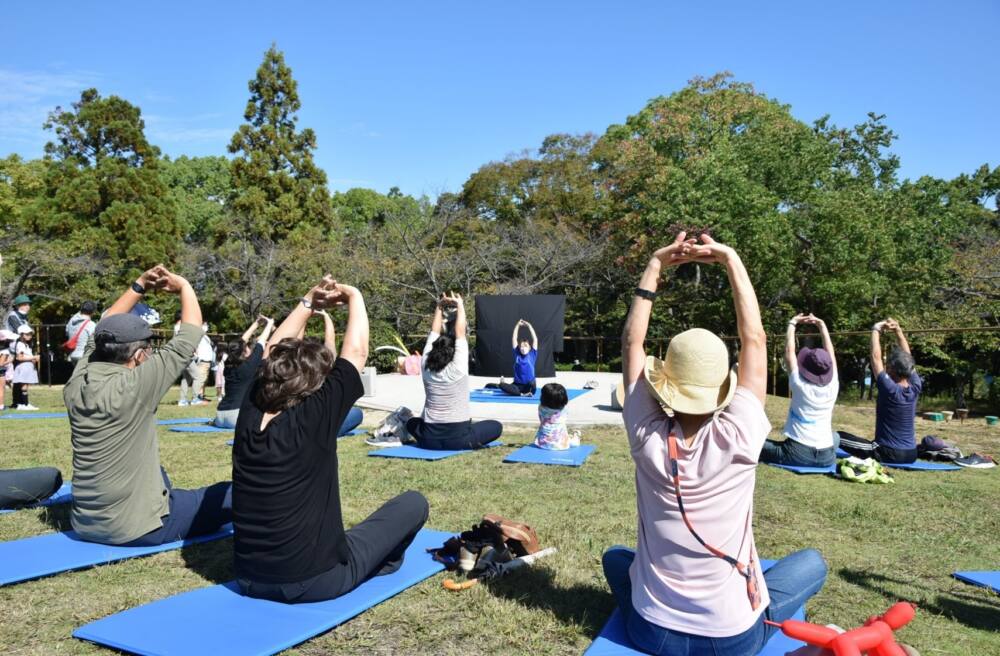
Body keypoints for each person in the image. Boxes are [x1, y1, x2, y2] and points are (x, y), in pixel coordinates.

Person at [603, 232, 827, 656]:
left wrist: (654, 265)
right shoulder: (739, 433)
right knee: (813, 563)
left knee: (616, 559)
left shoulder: (644, 434)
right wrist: (731, 261)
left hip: (653, 632)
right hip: (732, 640)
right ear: (722, 386)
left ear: (663, 383)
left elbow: (631, 343)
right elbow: (755, 340)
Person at [232, 277, 429, 604]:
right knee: (413, 503)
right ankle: (378, 563)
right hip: (315, 581)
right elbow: (356, 353)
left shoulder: (250, 413)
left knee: (355, 537)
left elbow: (271, 350)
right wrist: (355, 295)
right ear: (314, 384)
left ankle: (375, 560)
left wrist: (308, 301)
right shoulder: (314, 416)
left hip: (248, 579)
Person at [64, 265, 232, 546]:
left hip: (84, 522)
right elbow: (189, 336)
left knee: (159, 473)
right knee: (236, 493)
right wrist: (185, 287)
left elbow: (106, 323)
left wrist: (140, 284)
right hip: (138, 528)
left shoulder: (78, 380)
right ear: (140, 355)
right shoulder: (135, 387)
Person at [375, 293, 502, 450]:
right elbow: (460, 334)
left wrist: (439, 307)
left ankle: (400, 428)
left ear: (433, 350)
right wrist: (460, 305)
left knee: (412, 422)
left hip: (428, 439)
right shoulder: (458, 368)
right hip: (459, 439)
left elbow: (433, 333)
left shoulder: (426, 367)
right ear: (452, 352)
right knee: (496, 426)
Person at [759, 314, 839, 468]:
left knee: (754, 442)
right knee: (835, 437)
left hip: (797, 453)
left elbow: (789, 351)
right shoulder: (834, 384)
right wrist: (822, 325)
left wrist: (792, 323)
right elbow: (831, 352)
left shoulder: (799, 384)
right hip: (827, 456)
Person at [838, 319, 922, 464]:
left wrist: (875, 329)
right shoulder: (915, 386)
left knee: (836, 437)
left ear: (890, 370)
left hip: (887, 452)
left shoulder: (889, 388)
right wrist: (898, 330)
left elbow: (875, 358)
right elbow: (909, 359)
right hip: (911, 453)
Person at [212, 316, 275, 428]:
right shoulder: (249, 365)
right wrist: (269, 324)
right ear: (245, 351)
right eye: (247, 347)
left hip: (220, 416)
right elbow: (261, 342)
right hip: (236, 417)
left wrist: (256, 324)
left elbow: (239, 345)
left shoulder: (228, 365)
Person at [176, 317, 214, 406]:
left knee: (186, 378)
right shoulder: (181, 327)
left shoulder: (180, 327)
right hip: (187, 355)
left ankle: (182, 400)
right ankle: (195, 399)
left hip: (185, 355)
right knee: (198, 376)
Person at [533, 382, 581, 450]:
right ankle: (576, 435)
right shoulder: (564, 410)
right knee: (574, 443)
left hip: (542, 443)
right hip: (561, 445)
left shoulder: (541, 408)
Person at [499, 319, 538, 397]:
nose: (523, 348)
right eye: (522, 346)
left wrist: (529, 325)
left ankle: (521, 393)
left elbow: (535, 339)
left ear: (530, 347)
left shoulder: (532, 354)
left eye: (525, 346)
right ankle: (522, 394)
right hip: (518, 386)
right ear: (519, 348)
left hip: (529, 386)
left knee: (532, 385)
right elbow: (514, 338)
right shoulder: (517, 354)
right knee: (501, 385)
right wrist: (517, 325)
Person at [11, 325, 40, 410]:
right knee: (24, 386)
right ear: (22, 335)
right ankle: (25, 404)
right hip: (23, 367)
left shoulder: (25, 345)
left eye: (30, 334)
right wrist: (33, 357)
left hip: (27, 367)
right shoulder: (20, 345)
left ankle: (24, 404)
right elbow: (19, 357)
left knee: (25, 385)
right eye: (27, 334)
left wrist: (32, 359)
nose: (29, 336)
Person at [0, 330, 14, 411]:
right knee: (1, 388)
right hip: (1, 371)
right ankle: (1, 406)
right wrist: (10, 360)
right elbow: (1, 363)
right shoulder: (4, 351)